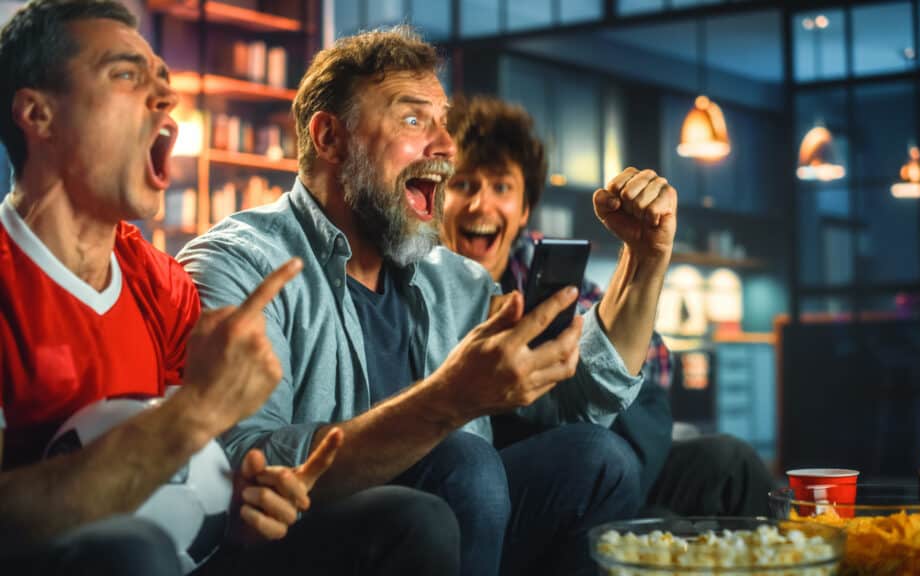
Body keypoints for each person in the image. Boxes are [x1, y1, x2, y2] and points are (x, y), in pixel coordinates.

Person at [177, 25, 679, 576]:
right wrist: (449, 400)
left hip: (455, 528)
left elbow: (585, 400)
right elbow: (236, 465)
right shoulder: (240, 262)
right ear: (329, 138)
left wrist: (645, 258)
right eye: (414, 120)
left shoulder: (455, 280)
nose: (445, 147)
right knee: (464, 460)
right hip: (300, 547)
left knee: (599, 460)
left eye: (443, 123)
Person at [0, 2, 457, 575]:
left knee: (412, 519)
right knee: (128, 553)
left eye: (163, 83)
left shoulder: (163, 285)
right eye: (124, 75)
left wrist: (248, 504)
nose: (165, 99)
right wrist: (196, 413)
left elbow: (199, 478)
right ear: (37, 114)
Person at [443, 95, 775, 518]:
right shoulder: (426, 282)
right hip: (524, 471)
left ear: (525, 208)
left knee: (731, 463)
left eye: (501, 186)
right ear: (436, 198)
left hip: (615, 450)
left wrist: (642, 262)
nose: (480, 204)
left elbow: (653, 361)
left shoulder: (550, 274)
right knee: (599, 456)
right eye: (463, 184)